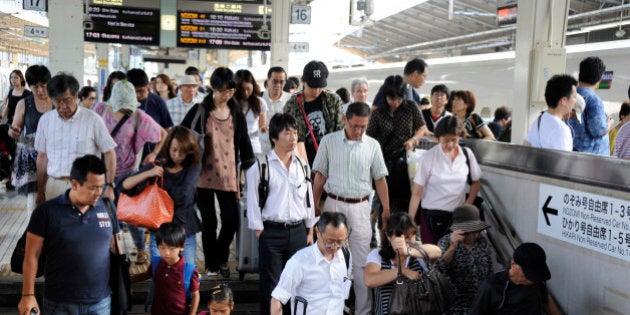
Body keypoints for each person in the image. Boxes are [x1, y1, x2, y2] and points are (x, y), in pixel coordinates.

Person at [313, 102, 390, 315]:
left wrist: (386, 209)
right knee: (327, 258)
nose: (358, 131)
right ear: (345, 119)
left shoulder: (372, 145)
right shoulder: (329, 141)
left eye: (363, 127)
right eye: (355, 125)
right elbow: (319, 176)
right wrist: (314, 205)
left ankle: (363, 311)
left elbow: (380, 179)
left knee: (362, 262)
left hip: (361, 206)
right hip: (333, 203)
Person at [18, 155, 118, 315]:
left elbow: (114, 246)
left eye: (102, 186)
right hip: (60, 303)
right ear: (75, 184)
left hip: (100, 303)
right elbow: (31, 255)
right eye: (93, 187)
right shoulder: (46, 212)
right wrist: (28, 295)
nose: (98, 192)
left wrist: (123, 284)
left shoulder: (107, 207)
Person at [180, 67, 255, 278]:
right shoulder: (200, 111)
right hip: (203, 175)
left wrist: (246, 170)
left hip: (229, 174)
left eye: (231, 90)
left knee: (231, 220)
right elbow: (183, 133)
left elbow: (244, 143)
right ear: (213, 88)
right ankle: (212, 265)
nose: (228, 94)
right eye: (223, 90)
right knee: (210, 222)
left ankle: (222, 255)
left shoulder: (236, 113)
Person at [246, 113, 317, 315]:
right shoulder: (261, 167)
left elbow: (308, 200)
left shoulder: (302, 165)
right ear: (274, 137)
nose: (293, 137)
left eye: (295, 133)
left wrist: (310, 229)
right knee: (272, 285)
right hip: (271, 232)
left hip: (298, 232)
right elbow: (252, 203)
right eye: (287, 133)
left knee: (296, 283)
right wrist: (261, 232)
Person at [94, 80, 167, 264]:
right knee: (105, 214)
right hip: (101, 172)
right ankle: (110, 249)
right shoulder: (101, 110)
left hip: (128, 173)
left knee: (133, 215)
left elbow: (163, 134)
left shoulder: (138, 116)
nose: (125, 110)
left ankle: (141, 248)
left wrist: (154, 154)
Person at [120, 126, 202, 262]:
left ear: (189, 152)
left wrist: (159, 196)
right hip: (160, 233)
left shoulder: (193, 166)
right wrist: (148, 173)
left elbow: (184, 196)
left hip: (184, 232)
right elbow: (126, 186)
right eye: (174, 150)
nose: (177, 155)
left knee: (186, 278)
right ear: (168, 147)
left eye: (182, 152)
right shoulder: (158, 166)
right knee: (160, 278)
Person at [34, 73, 117, 204]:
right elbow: (42, 157)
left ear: (76, 95)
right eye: (57, 102)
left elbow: (109, 152)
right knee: (55, 224)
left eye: (67, 100)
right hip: (54, 186)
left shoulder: (94, 120)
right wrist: (40, 190)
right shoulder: (45, 121)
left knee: (84, 224)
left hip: (85, 186)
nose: (63, 107)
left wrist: (110, 185)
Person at [408, 116, 482, 245]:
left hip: (457, 218)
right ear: (438, 138)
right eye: (445, 140)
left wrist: (467, 204)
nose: (450, 145)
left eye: (454, 140)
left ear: (460, 136)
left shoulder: (467, 154)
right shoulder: (429, 157)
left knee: (455, 258)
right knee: (433, 258)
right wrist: (410, 222)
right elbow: (417, 192)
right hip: (432, 217)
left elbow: (476, 182)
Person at [270, 212, 352, 315]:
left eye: (340, 242)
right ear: (318, 232)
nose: (335, 246)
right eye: (330, 241)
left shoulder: (346, 255)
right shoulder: (299, 261)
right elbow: (277, 299)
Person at [366, 75, 426, 214]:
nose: (396, 103)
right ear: (385, 96)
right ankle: (385, 229)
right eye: (392, 99)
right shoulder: (378, 114)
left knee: (405, 201)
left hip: (406, 162)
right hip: (384, 163)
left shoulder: (410, 107)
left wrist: (413, 140)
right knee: (385, 204)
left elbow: (421, 127)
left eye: (399, 99)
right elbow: (369, 137)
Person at [364, 212, 442, 315]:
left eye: (409, 237)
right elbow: (369, 280)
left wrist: (407, 251)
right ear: (388, 236)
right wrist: (402, 272)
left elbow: (438, 251)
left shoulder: (418, 253)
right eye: (401, 238)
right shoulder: (377, 255)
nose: (406, 242)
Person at [8, 65, 53, 214]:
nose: (40, 91)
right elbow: (14, 128)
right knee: (34, 203)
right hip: (31, 161)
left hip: (54, 159)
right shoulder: (24, 104)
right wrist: (13, 132)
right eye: (35, 87)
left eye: (43, 86)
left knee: (54, 198)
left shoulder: (57, 103)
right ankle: (33, 233)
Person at [130, 222, 200, 315]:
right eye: (162, 248)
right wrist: (128, 280)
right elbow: (147, 274)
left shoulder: (189, 270)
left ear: (182, 246)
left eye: (171, 248)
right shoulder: (156, 263)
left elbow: (195, 295)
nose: (166, 253)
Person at [283, 60, 344, 166]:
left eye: (320, 86)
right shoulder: (292, 104)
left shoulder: (333, 100)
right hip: (303, 159)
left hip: (331, 159)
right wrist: (304, 167)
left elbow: (340, 131)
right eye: (312, 86)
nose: (316, 90)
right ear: (303, 81)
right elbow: (294, 138)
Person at [469, 242, 558, 315]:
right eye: (528, 275)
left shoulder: (537, 279)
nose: (532, 280)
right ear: (513, 264)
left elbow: (548, 303)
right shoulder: (492, 286)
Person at [436, 205, 493, 315]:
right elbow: (439, 269)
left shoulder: (482, 242)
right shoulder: (445, 242)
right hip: (455, 305)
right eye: (467, 232)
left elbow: (489, 270)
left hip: (480, 303)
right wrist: (453, 247)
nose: (471, 236)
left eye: (475, 231)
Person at [126, 68, 174, 160]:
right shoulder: (124, 103)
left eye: (140, 91)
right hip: (129, 156)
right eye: (133, 91)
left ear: (148, 86)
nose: (137, 95)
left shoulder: (158, 102)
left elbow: (167, 129)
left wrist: (157, 153)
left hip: (153, 155)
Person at [570, 57, 614, 155]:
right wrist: (609, 125)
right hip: (592, 159)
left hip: (572, 153)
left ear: (580, 75)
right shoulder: (593, 100)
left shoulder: (571, 95)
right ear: (600, 78)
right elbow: (598, 130)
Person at [524, 74, 578, 151]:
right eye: (574, 97)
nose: (575, 101)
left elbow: (526, 144)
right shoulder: (561, 129)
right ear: (564, 101)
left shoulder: (539, 119)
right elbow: (564, 161)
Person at [235, 69, 269, 156]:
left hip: (253, 147)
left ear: (253, 86)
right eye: (242, 89)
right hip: (234, 147)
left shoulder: (260, 102)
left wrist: (264, 128)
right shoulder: (231, 103)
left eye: (248, 89)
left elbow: (262, 125)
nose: (245, 92)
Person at [261, 66, 292, 154]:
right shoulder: (259, 99)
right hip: (262, 150)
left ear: (285, 82)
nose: (278, 85)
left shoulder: (290, 100)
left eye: (281, 82)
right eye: (274, 81)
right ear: (268, 81)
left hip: (282, 150)